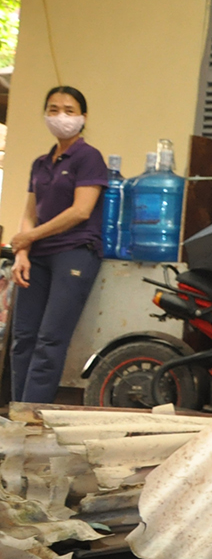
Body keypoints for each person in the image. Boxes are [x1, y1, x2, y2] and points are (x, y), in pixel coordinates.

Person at [10, 86, 108, 404]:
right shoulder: (40, 163)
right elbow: (29, 213)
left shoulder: (89, 157)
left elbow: (81, 211)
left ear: (83, 116)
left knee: (49, 339)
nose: (60, 116)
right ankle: (16, 412)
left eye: (68, 109)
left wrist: (29, 238)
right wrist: (22, 252)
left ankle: (31, 416)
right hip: (36, 257)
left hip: (74, 251)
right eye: (53, 109)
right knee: (23, 338)